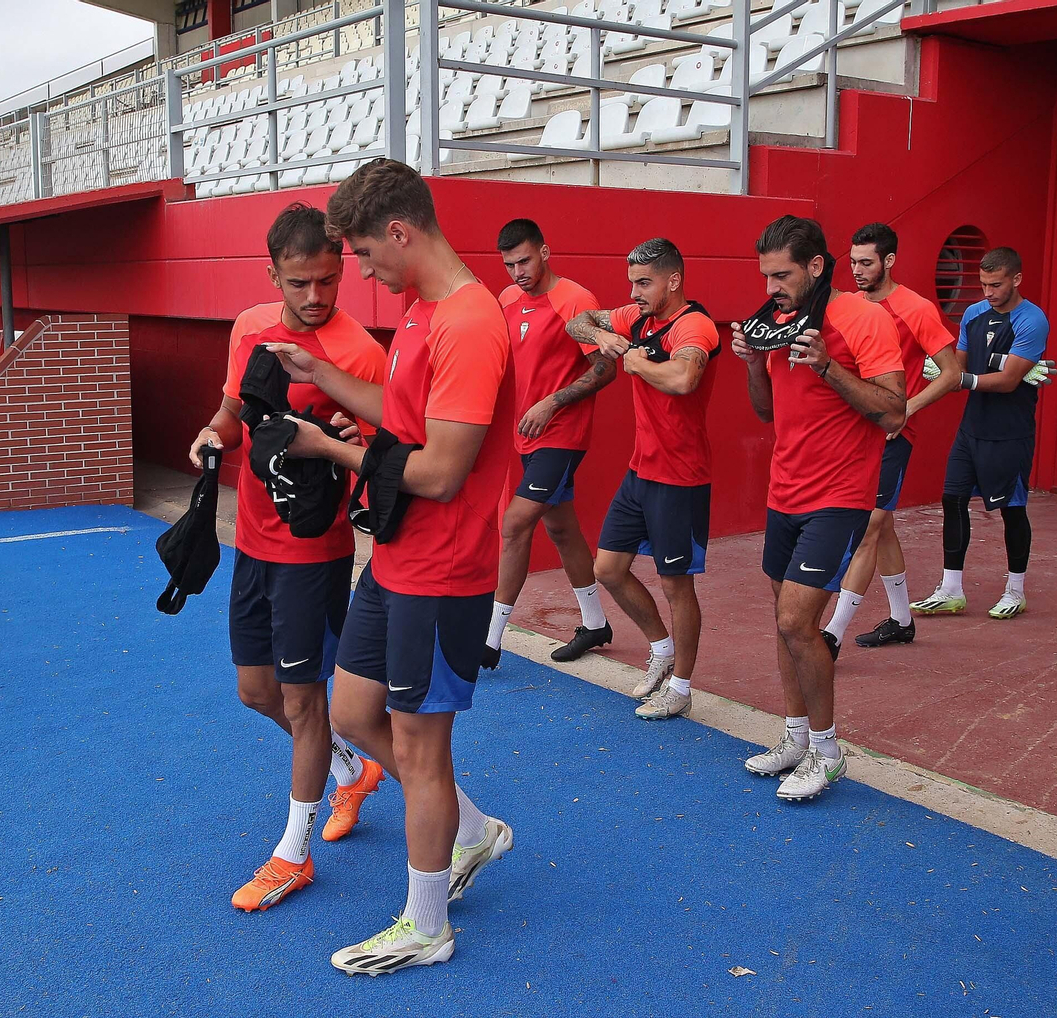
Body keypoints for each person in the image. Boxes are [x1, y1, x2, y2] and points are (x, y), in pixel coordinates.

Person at [263, 160, 515, 975]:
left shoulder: (469, 324)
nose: (362, 274)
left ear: (401, 232)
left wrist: (331, 450)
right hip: (398, 556)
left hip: (445, 570)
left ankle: (427, 924)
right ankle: (473, 833)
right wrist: (321, 376)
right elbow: (402, 417)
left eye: (367, 255)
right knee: (353, 710)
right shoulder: (420, 312)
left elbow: (440, 469)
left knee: (418, 744)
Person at [186, 202, 387, 913]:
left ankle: (292, 854)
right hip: (252, 541)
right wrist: (211, 438)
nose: (315, 297)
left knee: (305, 700)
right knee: (256, 692)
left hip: (315, 551)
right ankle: (348, 769)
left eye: (328, 281)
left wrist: (337, 441)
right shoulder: (247, 328)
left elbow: (386, 460)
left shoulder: (361, 351)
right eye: (299, 284)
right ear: (274, 275)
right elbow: (231, 415)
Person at [731, 216, 907, 801]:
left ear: (814, 266)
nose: (771, 286)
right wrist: (755, 363)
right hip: (785, 490)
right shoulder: (778, 322)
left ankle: (829, 752)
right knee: (786, 625)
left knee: (795, 622)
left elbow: (893, 411)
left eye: (782, 275)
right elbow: (764, 413)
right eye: (765, 276)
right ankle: (795, 738)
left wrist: (828, 367)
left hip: (839, 494)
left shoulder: (862, 318)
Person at [566, 239, 718, 721]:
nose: (634, 292)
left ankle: (682, 686)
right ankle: (662, 649)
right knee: (608, 568)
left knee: (677, 587)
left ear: (673, 280)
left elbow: (683, 379)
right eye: (631, 282)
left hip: (681, 477)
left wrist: (634, 361)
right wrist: (605, 337)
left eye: (644, 282)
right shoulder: (638, 317)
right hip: (640, 471)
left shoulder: (694, 325)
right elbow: (577, 322)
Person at [822, 223, 960, 651]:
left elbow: (952, 373)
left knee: (868, 527)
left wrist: (908, 409)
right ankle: (902, 620)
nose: (858, 271)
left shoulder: (916, 308)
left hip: (894, 436)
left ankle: (831, 634)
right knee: (881, 529)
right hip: (855, 433)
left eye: (867, 262)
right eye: (853, 262)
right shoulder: (854, 306)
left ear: (890, 261)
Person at [485, 218, 613, 669]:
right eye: (509, 264)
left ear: (545, 251)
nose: (518, 271)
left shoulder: (576, 300)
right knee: (561, 527)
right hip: (523, 434)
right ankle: (595, 623)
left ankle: (490, 638)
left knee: (515, 523)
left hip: (562, 433)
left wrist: (551, 403)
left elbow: (604, 369)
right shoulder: (506, 299)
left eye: (524, 260)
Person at [911, 247, 1050, 621]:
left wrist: (958, 379)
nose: (987, 292)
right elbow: (959, 362)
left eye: (996, 284)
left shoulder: (1032, 320)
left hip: (1010, 432)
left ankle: (1015, 590)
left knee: (1012, 509)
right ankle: (951, 590)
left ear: (1016, 279)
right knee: (952, 500)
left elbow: (1007, 382)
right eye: (983, 284)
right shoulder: (973, 314)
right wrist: (941, 370)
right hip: (971, 428)